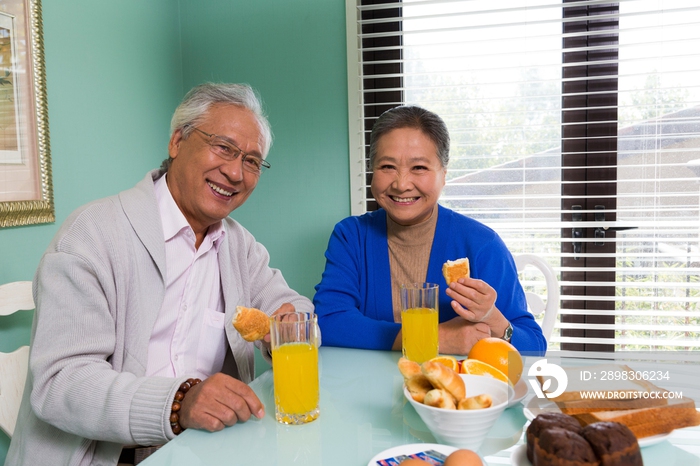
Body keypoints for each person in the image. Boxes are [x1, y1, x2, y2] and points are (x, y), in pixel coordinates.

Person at [6, 83, 314, 466]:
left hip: (207, 447)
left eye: (252, 161)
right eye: (223, 147)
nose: (235, 172)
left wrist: (290, 323)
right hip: (109, 454)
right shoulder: (91, 234)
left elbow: (295, 309)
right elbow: (61, 383)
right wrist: (180, 402)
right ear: (177, 142)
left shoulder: (239, 245)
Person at [313, 105, 545, 356]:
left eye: (419, 168)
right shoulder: (351, 236)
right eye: (387, 167)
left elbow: (533, 346)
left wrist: (493, 318)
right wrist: (430, 338)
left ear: (443, 174)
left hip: (455, 391)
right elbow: (328, 322)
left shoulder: (481, 244)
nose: (401, 184)